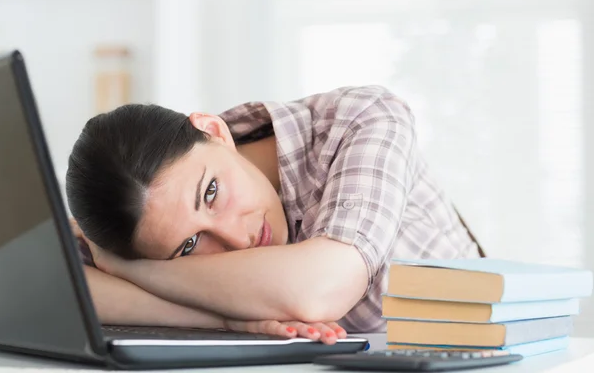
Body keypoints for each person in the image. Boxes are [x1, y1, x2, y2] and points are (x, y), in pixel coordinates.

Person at [67, 85, 483, 345]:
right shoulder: (144, 223)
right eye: (190, 245)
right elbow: (59, 292)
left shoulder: (361, 119)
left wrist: (129, 270)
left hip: (489, 349)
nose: (235, 238)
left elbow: (319, 291)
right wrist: (228, 319)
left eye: (211, 193)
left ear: (213, 131)